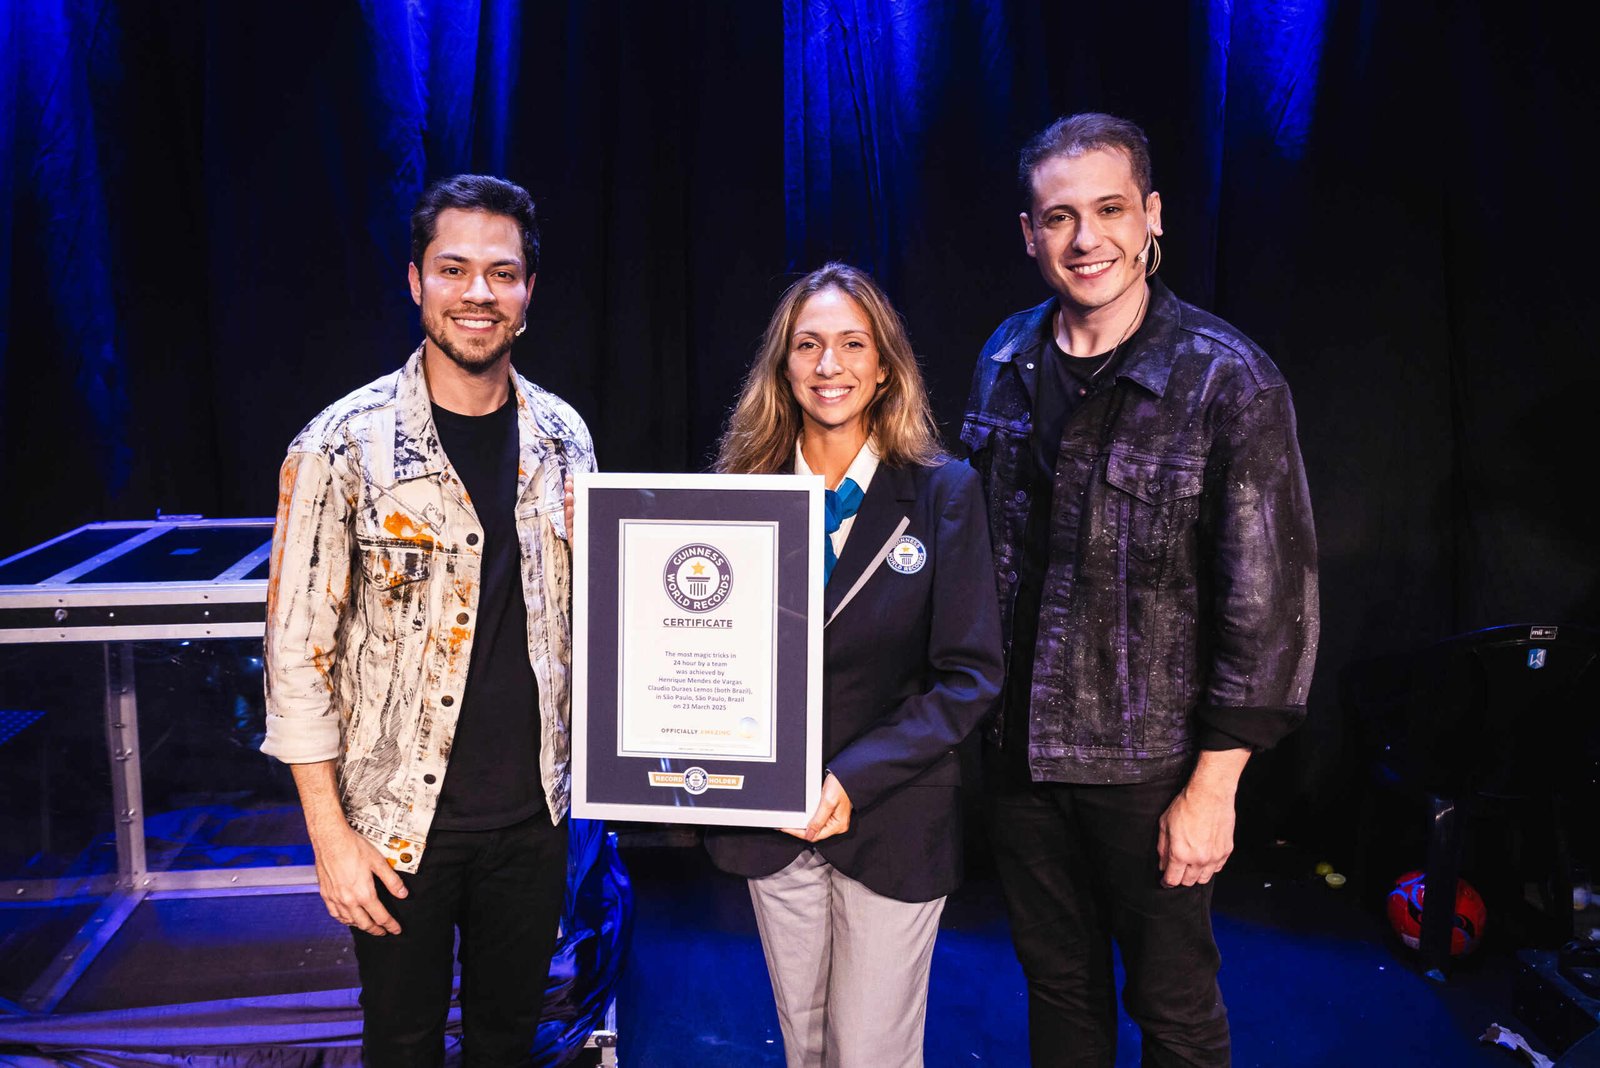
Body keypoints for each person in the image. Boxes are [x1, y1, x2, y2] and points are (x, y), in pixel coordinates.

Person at [961, 113, 1319, 1066]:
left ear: (1152, 214)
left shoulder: (1225, 379)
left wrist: (1216, 783)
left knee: (1173, 1010)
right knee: (1059, 990)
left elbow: (1271, 605)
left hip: (1149, 770)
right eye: (1061, 216)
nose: (1088, 239)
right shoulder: (1004, 358)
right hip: (1017, 762)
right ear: (1028, 232)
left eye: (1111, 209)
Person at [261, 174, 596, 1066]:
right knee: (402, 1043)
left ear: (528, 291)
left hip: (534, 820)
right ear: (416, 282)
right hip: (395, 826)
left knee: (505, 1042)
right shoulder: (341, 443)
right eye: (453, 270)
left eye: (502, 273)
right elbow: (296, 658)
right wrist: (331, 839)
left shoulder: (566, 439)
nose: (478, 294)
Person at [705, 263, 1003, 1068]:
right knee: (807, 1052)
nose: (828, 365)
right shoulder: (735, 494)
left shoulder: (944, 495)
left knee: (868, 1055)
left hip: (891, 820)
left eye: (850, 344)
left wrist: (850, 780)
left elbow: (969, 676)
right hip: (773, 824)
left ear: (884, 366)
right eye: (808, 345)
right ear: (783, 364)